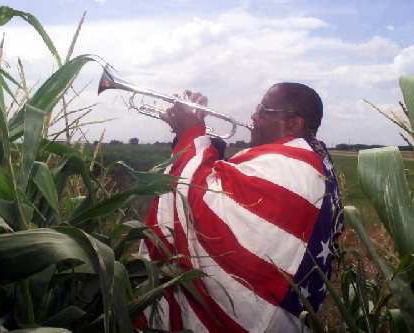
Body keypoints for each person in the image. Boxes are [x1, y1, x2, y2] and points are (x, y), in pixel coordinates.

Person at [138, 83, 344, 332]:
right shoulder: (316, 161)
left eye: (263, 110)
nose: (253, 117)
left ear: (293, 123)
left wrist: (191, 132)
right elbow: (225, 185)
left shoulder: (291, 168)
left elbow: (200, 197)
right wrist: (191, 136)